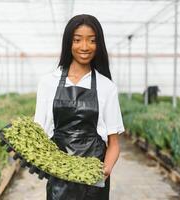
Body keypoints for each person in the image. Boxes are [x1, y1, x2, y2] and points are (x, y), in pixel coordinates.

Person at [34, 14, 124, 200]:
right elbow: (39, 136)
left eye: (92, 40)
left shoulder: (106, 87)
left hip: (93, 181)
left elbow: (114, 144)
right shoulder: (47, 83)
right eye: (77, 40)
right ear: (69, 43)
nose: (84, 47)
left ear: (99, 45)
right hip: (59, 178)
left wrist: (102, 173)